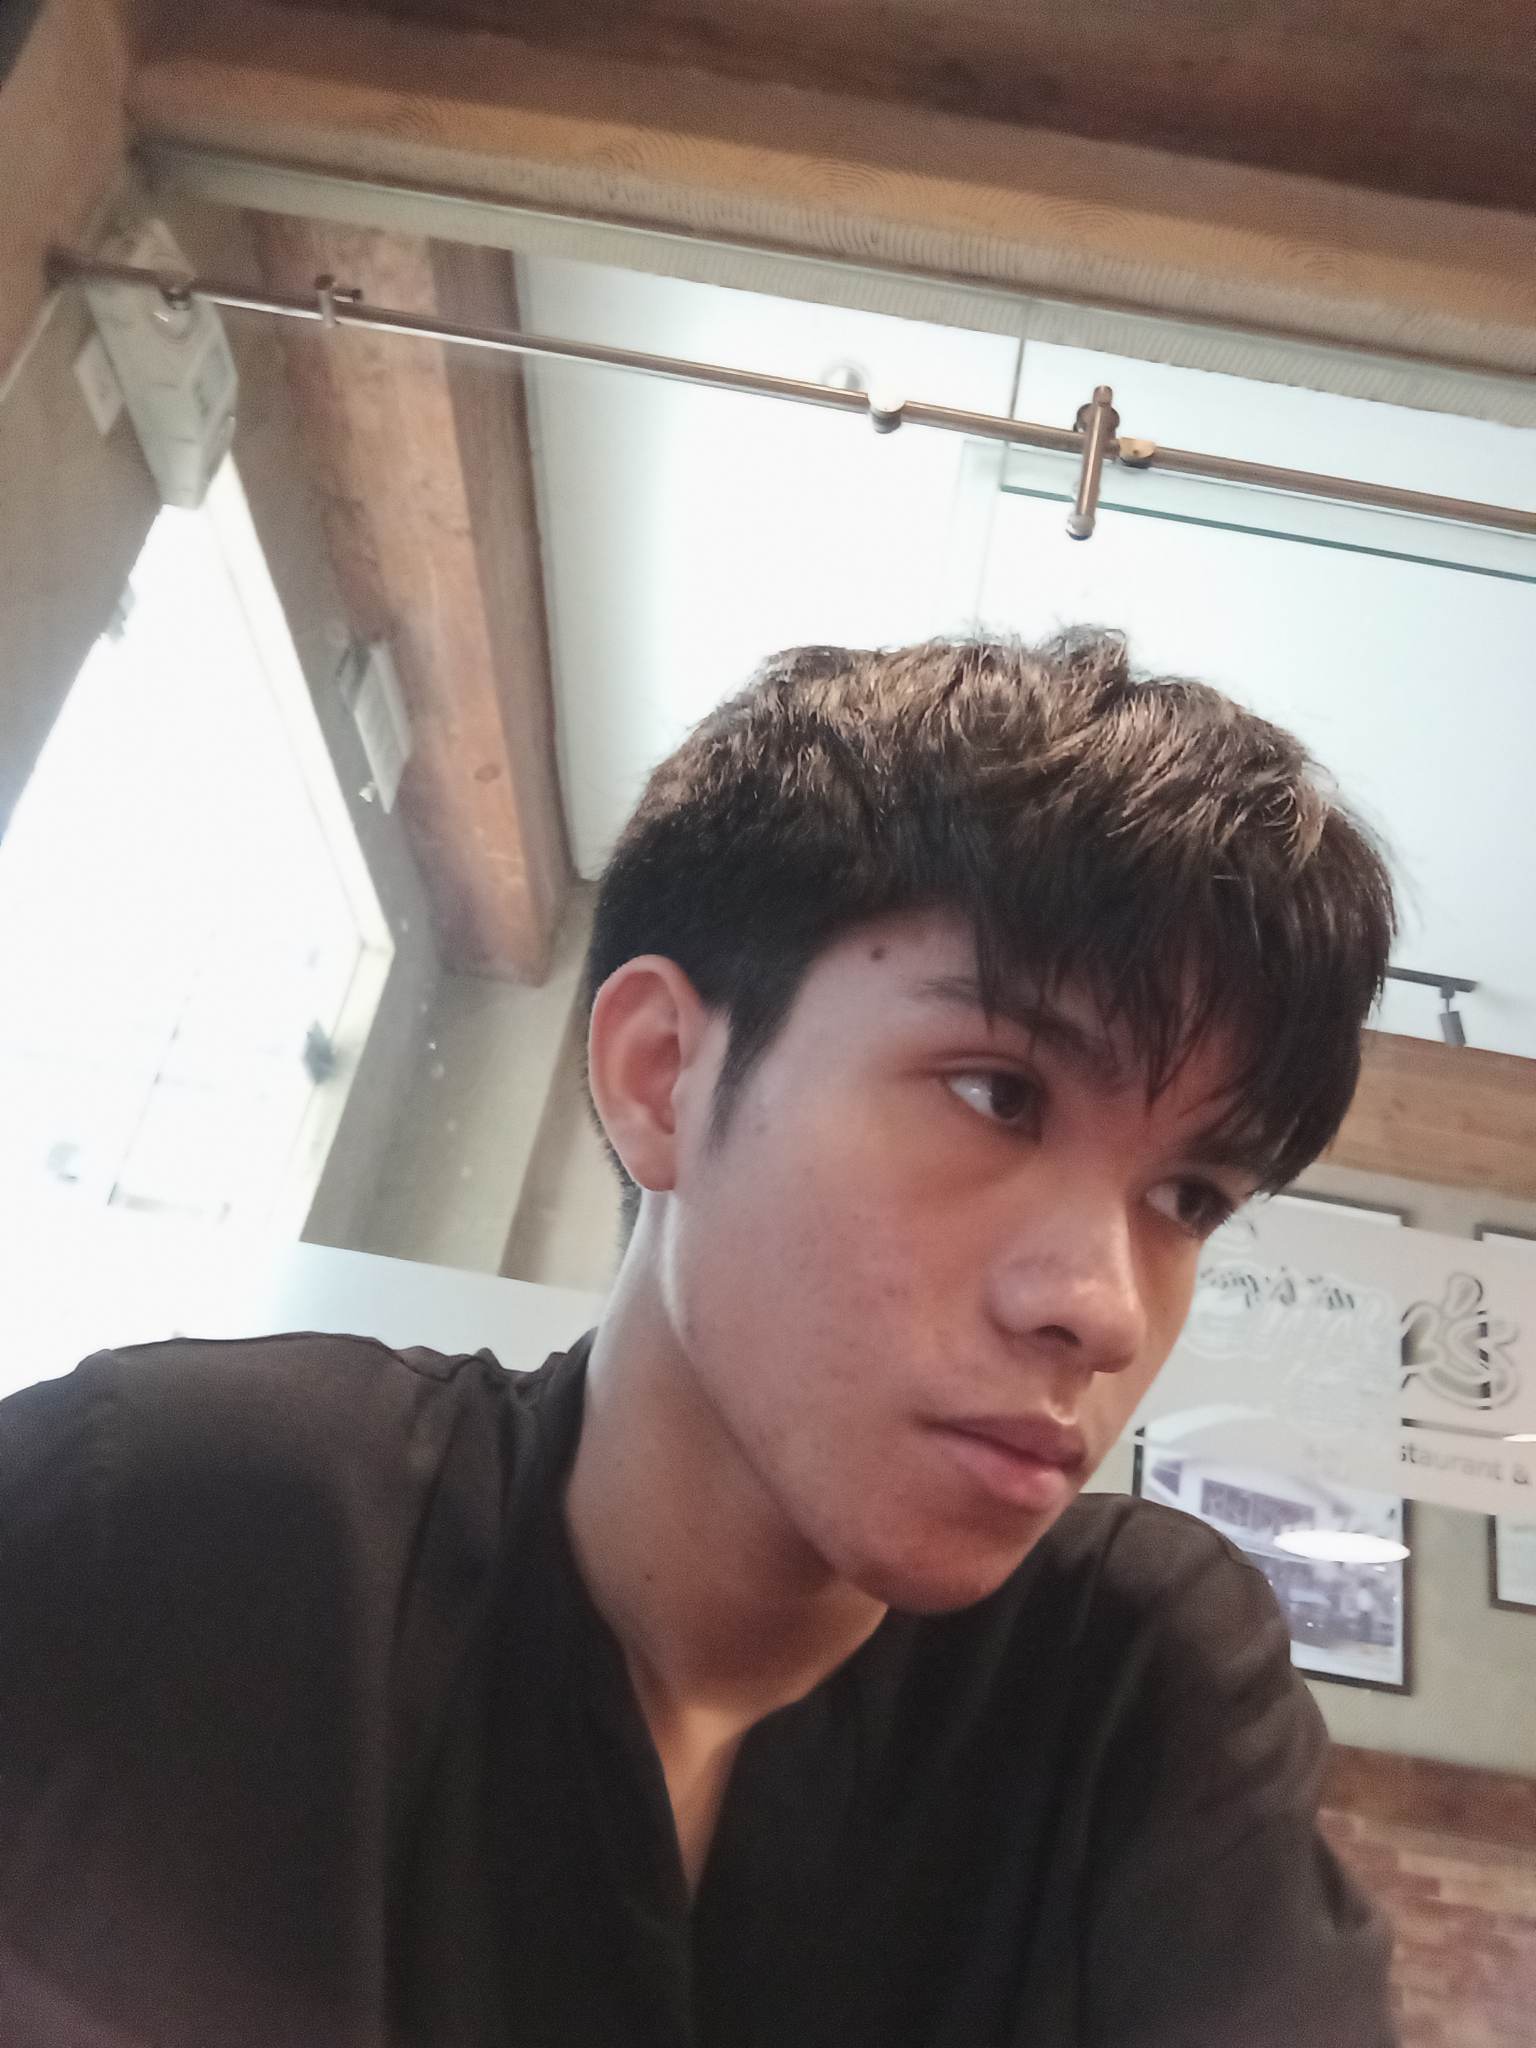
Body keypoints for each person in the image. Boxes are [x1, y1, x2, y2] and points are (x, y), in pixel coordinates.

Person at [0, 633, 1399, 2046]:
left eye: (1189, 1198)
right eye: (998, 1094)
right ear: (662, 1075)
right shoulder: (181, 1524)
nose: (1105, 1309)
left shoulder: (1132, 1686)